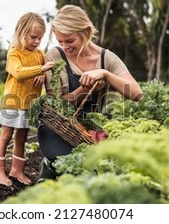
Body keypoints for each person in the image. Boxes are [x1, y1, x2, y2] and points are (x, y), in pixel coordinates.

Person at [37, 5, 144, 182]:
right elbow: (55, 106)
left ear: (85, 32)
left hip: (92, 129)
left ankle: (52, 167)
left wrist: (106, 74)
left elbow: (137, 94)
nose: (65, 46)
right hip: (60, 127)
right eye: (60, 41)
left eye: (70, 41)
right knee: (72, 165)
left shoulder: (106, 58)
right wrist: (83, 89)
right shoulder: (55, 56)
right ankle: (50, 165)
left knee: (102, 167)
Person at [0, 12, 55, 186]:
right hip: (13, 101)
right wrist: (41, 69)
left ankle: (17, 170)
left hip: (30, 104)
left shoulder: (39, 53)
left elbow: (46, 71)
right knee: (6, 136)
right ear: (22, 32)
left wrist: (43, 75)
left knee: (21, 138)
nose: (36, 42)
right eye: (33, 37)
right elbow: (19, 73)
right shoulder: (14, 53)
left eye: (40, 38)